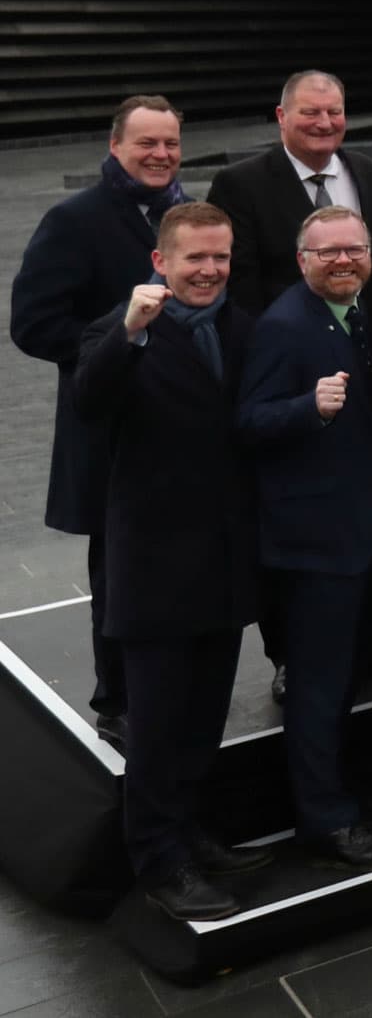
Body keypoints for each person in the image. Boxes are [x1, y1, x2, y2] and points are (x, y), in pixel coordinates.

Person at [73, 202, 268, 920]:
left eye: (220, 258)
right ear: (162, 262)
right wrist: (128, 331)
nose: (209, 271)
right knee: (155, 726)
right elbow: (90, 400)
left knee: (202, 719)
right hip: (155, 568)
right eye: (195, 258)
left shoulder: (240, 328)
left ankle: (188, 831)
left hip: (223, 560)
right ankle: (158, 859)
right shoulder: (124, 332)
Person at [234, 206, 372, 870]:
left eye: (354, 250)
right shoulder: (283, 326)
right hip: (317, 547)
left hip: (362, 538)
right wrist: (307, 409)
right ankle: (325, 818)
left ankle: (346, 795)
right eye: (328, 252)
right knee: (319, 687)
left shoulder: (364, 311)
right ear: (301, 257)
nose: (344, 261)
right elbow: (248, 422)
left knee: (345, 682)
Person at [13, 94, 186, 743]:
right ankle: (117, 697)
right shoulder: (74, 220)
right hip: (111, 425)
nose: (161, 155)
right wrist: (120, 340)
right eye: (147, 144)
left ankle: (168, 681)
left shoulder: (185, 213)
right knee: (118, 570)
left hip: (181, 421)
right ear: (116, 147)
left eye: (170, 143)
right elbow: (33, 325)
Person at [206, 69, 372, 315]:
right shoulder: (239, 184)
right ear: (281, 116)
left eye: (334, 112)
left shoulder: (371, 175)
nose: (324, 123)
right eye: (310, 112)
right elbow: (240, 283)